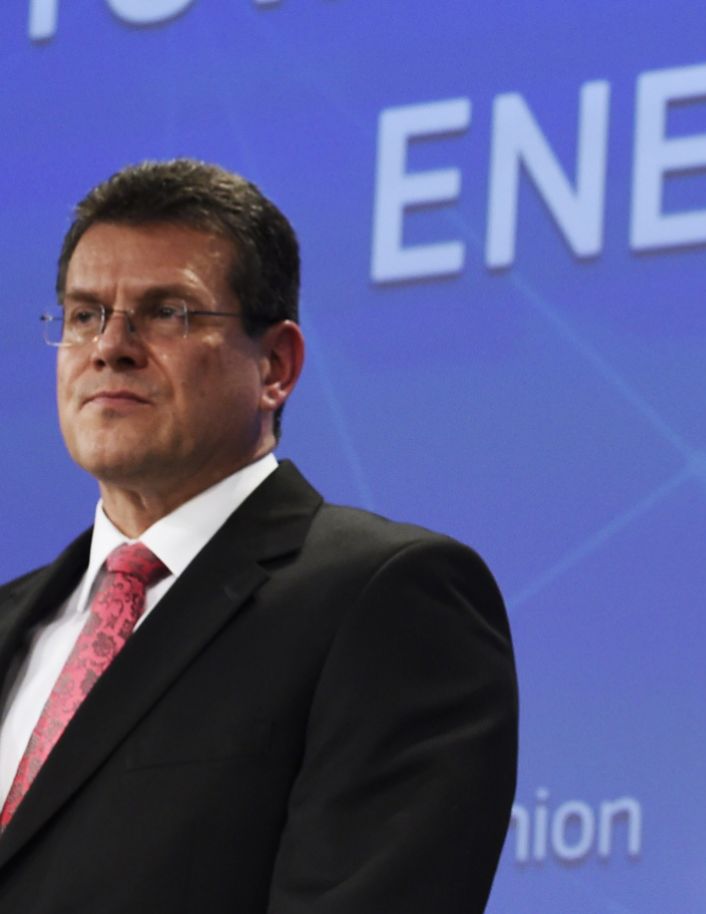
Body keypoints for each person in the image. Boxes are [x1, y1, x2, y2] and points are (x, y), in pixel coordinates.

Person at [0, 159, 518, 912]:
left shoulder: (387, 600)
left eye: (168, 311)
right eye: (84, 315)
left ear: (275, 365)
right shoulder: (14, 620)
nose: (110, 346)